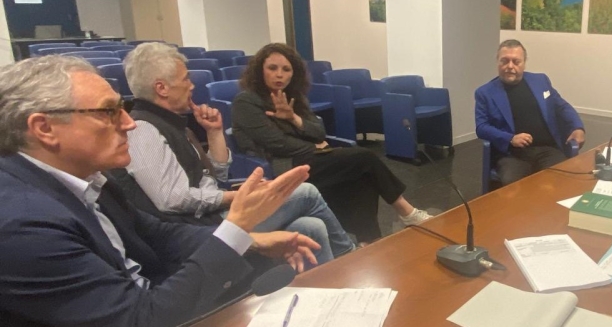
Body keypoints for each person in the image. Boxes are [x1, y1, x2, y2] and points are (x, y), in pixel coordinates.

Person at [0, 56, 319, 326]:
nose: (129, 123)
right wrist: (237, 227)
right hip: (148, 314)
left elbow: (157, 234)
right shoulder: (24, 227)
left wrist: (250, 240)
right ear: (45, 128)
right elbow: (141, 320)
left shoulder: (87, 177)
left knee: (302, 240)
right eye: (108, 111)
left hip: (152, 298)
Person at [122, 43, 354, 264]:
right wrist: (238, 196)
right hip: (201, 228)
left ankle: (326, 285)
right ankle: (350, 256)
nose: (191, 86)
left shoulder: (173, 124)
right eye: (186, 79)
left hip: (215, 214)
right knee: (306, 192)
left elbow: (216, 176)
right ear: (161, 88)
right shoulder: (144, 130)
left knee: (311, 227)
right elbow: (173, 200)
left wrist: (214, 133)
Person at [231, 43, 432, 243]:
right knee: (365, 157)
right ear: (260, 70)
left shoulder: (294, 98)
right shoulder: (246, 101)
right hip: (281, 167)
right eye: (272, 68)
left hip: (310, 160)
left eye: (286, 69)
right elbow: (276, 144)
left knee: (362, 175)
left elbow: (319, 132)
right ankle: (407, 213)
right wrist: (316, 147)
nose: (279, 75)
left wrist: (293, 118)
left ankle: (369, 241)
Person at [475, 39, 585, 185]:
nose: (510, 66)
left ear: (524, 63)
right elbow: (481, 127)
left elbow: (562, 106)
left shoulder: (540, 81)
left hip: (547, 150)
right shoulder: (485, 93)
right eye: (504, 61)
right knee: (513, 187)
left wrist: (577, 127)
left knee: (558, 181)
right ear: (497, 62)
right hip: (512, 155)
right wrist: (510, 138)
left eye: (516, 61)